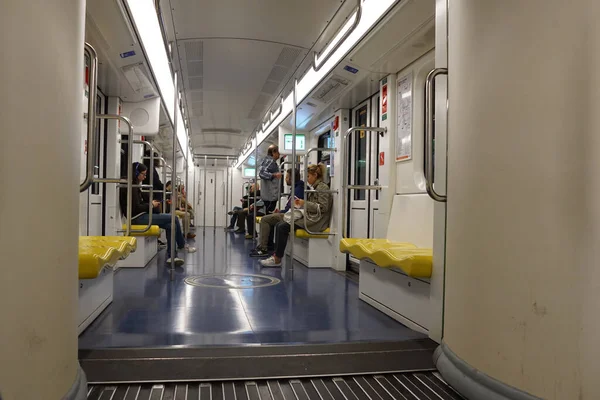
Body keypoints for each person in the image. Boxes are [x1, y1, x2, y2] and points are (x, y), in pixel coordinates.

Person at [119, 162, 196, 266]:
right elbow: (135, 208)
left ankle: (172, 256)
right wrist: (151, 205)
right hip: (137, 218)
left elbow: (140, 203)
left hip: (141, 215)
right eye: (143, 174)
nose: (144, 177)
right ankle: (182, 245)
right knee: (174, 219)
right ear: (136, 173)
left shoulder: (135, 186)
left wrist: (151, 202)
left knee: (170, 225)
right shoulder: (131, 186)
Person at [260, 164, 332, 267]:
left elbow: (323, 208)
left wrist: (304, 203)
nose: (307, 179)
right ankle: (276, 256)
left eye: (308, 176)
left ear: (315, 175)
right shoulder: (315, 187)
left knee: (282, 227)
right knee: (279, 225)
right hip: (310, 217)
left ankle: (277, 259)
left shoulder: (322, 187)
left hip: (317, 221)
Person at [250, 168, 304, 257]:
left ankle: (263, 248)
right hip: (289, 213)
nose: (285, 179)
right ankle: (269, 245)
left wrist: (281, 212)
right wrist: (280, 211)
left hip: (292, 216)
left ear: (292, 178)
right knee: (270, 218)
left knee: (265, 219)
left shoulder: (297, 190)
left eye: (287, 177)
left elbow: (293, 208)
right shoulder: (296, 188)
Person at [258, 144, 281, 214]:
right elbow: (261, 173)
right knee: (268, 216)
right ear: (273, 152)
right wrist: (274, 175)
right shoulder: (270, 161)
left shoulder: (266, 160)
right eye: (278, 152)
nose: (279, 154)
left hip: (268, 195)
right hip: (270, 196)